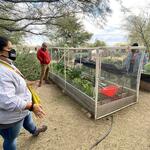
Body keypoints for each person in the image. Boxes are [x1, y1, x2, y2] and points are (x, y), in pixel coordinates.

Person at [0, 36, 47, 150]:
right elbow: (7, 101)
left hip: (22, 110)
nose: (13, 51)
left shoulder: (6, 63)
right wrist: (31, 106)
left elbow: (14, 80)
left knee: (28, 120)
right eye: (9, 48)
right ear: (0, 51)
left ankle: (34, 131)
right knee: (11, 139)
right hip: (11, 118)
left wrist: (28, 83)